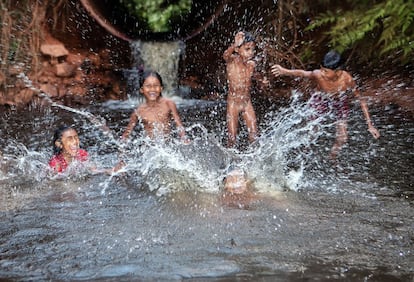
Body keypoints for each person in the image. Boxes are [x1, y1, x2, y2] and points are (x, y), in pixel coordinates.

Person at [271, 50, 380, 160]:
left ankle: (333, 158)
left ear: (338, 71)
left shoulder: (347, 79)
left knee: (342, 138)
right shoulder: (318, 75)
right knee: (313, 132)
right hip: (321, 100)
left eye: (326, 71)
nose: (322, 73)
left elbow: (361, 99)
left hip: (339, 102)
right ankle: (302, 155)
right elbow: (303, 73)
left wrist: (370, 125)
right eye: (322, 69)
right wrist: (284, 71)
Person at [223, 31, 267, 148]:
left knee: (254, 136)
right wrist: (235, 44)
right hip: (233, 104)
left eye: (253, 50)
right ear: (238, 50)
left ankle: (254, 162)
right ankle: (228, 163)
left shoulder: (251, 64)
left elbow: (255, 75)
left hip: (247, 103)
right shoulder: (232, 61)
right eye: (247, 49)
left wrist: (262, 81)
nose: (251, 53)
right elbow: (225, 55)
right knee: (232, 138)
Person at [121, 70, 188, 142]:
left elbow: (179, 125)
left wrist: (184, 138)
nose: (152, 89)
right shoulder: (139, 111)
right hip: (150, 148)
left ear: (161, 88)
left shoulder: (169, 104)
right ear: (142, 90)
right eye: (148, 86)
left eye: (156, 86)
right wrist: (121, 150)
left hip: (167, 147)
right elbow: (127, 134)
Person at [49, 125, 121, 174]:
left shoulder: (81, 153)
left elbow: (93, 170)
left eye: (76, 137)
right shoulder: (56, 163)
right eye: (70, 139)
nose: (75, 142)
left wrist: (110, 170)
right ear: (59, 144)